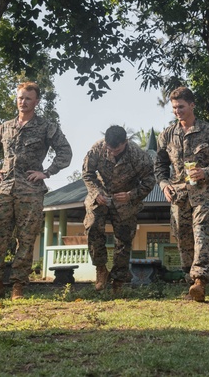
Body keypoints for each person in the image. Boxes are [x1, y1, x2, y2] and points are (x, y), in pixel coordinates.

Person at [0, 81, 73, 300]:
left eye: (28, 98)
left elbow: (65, 152)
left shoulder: (46, 126)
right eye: (20, 97)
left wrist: (47, 172)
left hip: (30, 189)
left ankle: (18, 285)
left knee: (26, 237)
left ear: (36, 102)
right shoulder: (4, 127)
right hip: (3, 188)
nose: (23, 102)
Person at [155, 87, 209, 302]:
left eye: (181, 107)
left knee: (202, 234)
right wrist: (163, 184)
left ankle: (200, 280)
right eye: (174, 108)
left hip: (204, 193)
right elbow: (159, 164)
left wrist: (205, 171)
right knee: (183, 238)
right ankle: (191, 284)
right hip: (178, 195)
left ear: (192, 105)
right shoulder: (167, 135)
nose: (177, 111)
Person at [82, 125, 156, 291]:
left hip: (125, 200)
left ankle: (118, 281)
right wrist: (96, 193)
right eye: (110, 148)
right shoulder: (97, 149)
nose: (113, 152)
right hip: (100, 197)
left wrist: (132, 194)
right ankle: (101, 269)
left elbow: (150, 180)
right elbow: (87, 174)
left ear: (125, 142)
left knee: (124, 239)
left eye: (117, 149)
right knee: (92, 226)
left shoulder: (138, 156)